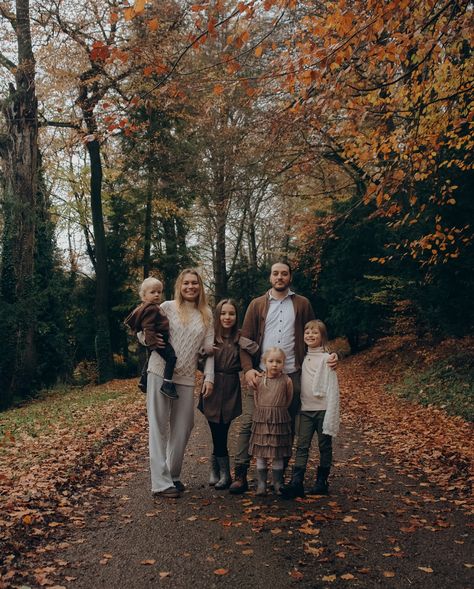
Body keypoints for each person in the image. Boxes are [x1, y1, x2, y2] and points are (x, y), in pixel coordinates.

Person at [229, 260, 338, 495]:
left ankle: (281, 475)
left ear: (290, 277)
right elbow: (245, 341)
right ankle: (240, 474)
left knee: (286, 425)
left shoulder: (301, 304)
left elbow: (314, 333)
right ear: (270, 277)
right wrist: (248, 369)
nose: (280, 277)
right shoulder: (257, 305)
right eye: (275, 273)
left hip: (292, 375)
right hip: (260, 374)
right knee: (249, 422)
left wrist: (329, 356)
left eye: (284, 274)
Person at [143, 269, 214, 498]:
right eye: (186, 283)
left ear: (200, 286)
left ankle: (172, 474)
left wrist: (209, 376)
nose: (190, 287)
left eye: (194, 283)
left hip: (185, 377)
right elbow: (143, 329)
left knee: (184, 426)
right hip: (159, 371)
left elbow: (209, 351)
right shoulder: (166, 307)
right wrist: (147, 339)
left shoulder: (206, 314)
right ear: (179, 286)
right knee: (158, 426)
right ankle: (160, 484)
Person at [199, 299, 258, 490]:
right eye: (223, 313)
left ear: (236, 316)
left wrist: (244, 343)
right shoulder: (210, 336)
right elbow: (198, 361)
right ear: (218, 315)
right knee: (215, 429)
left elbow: (255, 351)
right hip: (212, 385)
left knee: (223, 429)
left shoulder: (239, 337)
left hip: (231, 386)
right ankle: (222, 472)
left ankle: (218, 471)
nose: (227, 317)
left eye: (231, 313)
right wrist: (203, 352)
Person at [281, 320, 340, 498]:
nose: (310, 335)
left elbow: (332, 384)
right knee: (302, 446)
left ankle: (322, 482)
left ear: (322, 337)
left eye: (315, 333)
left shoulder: (328, 359)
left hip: (323, 410)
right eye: (307, 332)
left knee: (324, 446)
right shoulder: (302, 356)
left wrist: (337, 355)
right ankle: (296, 482)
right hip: (305, 410)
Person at [249, 347, 293, 496]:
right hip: (262, 419)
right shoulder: (259, 379)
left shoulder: (286, 380)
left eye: (278, 362)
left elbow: (288, 399)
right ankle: (261, 483)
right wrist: (265, 411)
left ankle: (277, 483)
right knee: (261, 453)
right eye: (271, 361)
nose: (275, 364)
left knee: (277, 453)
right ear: (264, 363)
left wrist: (277, 411)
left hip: (279, 419)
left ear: (283, 363)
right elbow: (256, 398)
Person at [124, 277, 178, 399]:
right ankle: (167, 384)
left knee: (151, 357)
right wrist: (153, 343)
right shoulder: (151, 308)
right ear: (144, 296)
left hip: (156, 339)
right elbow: (147, 326)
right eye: (152, 292)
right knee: (171, 357)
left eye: (159, 292)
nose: (157, 295)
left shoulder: (151, 306)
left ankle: (143, 380)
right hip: (159, 341)